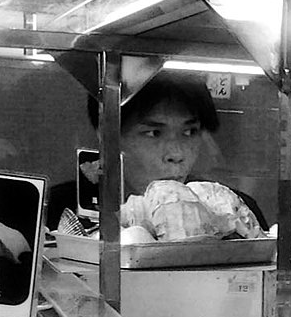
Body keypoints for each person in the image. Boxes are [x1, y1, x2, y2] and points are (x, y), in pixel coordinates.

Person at [46, 73, 267, 230]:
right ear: (106, 133)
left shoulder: (233, 212)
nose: (176, 154)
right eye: (154, 133)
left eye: (189, 131)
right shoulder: (54, 210)